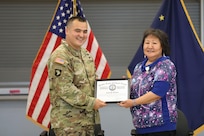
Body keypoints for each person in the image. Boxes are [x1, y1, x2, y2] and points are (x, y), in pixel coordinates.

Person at [47, 16, 107, 136]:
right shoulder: (60, 56)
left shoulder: (85, 54)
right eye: (77, 31)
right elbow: (65, 89)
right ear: (67, 31)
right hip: (69, 126)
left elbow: (91, 84)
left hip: (89, 122)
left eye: (85, 31)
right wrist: (91, 102)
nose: (82, 35)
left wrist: (116, 88)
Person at [119, 28, 177, 136]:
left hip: (161, 128)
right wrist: (124, 86)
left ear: (162, 46)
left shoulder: (165, 65)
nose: (150, 46)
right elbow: (137, 90)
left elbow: (158, 92)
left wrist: (133, 103)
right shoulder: (138, 67)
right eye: (147, 43)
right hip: (141, 126)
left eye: (154, 43)